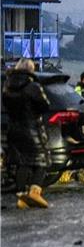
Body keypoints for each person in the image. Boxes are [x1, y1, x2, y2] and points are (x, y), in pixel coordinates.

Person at [2, 59, 52, 208]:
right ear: (31, 70)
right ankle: (34, 192)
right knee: (42, 160)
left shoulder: (8, 86)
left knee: (22, 162)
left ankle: (22, 195)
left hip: (14, 129)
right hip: (32, 129)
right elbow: (45, 105)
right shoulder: (33, 86)